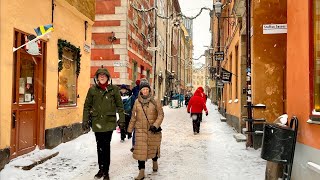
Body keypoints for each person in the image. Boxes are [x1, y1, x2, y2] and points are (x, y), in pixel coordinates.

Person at [82, 68, 125, 180]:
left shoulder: (114, 90)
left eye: (104, 75)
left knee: (105, 147)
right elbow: (87, 106)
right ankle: (101, 169)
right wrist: (85, 120)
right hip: (97, 122)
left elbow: (120, 106)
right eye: (100, 75)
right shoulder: (92, 90)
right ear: (97, 78)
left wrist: (122, 120)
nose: (102, 77)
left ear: (107, 77)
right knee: (99, 147)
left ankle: (106, 171)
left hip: (108, 122)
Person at [127, 78, 164, 180]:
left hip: (152, 130)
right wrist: (129, 130)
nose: (145, 91)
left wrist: (156, 125)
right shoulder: (136, 102)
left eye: (147, 89)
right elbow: (134, 117)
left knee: (153, 148)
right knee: (140, 151)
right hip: (140, 130)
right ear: (140, 91)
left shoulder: (155, 100)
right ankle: (141, 172)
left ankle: (155, 161)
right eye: (143, 89)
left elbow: (161, 114)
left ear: (149, 90)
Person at [130, 79, 140, 152]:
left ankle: (134, 145)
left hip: (135, 114)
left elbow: (131, 105)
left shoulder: (133, 93)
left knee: (135, 131)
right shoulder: (143, 93)